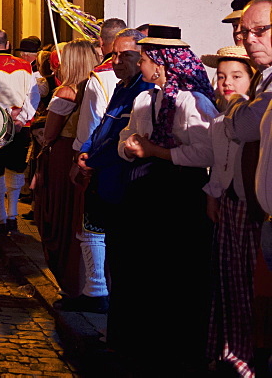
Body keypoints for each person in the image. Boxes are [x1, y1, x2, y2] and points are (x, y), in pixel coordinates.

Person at [115, 25, 218, 373]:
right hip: (144, 190)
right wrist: (129, 149)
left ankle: (175, 349)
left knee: (174, 271)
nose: (140, 66)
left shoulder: (193, 101)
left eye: (143, 59)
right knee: (141, 268)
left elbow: (205, 152)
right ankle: (139, 343)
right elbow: (126, 136)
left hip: (179, 196)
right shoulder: (145, 99)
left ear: (160, 64)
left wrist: (156, 151)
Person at [76, 29, 153, 317]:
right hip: (100, 171)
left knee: (117, 245)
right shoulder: (122, 86)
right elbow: (103, 125)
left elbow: (126, 137)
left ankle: (107, 301)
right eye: (115, 54)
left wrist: (94, 161)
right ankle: (94, 292)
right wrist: (85, 152)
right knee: (92, 231)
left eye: (126, 55)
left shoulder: (144, 91)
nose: (117, 61)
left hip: (119, 176)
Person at [199, 45, 261, 374]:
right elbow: (219, 165)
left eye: (236, 76)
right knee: (227, 280)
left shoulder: (256, 116)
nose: (227, 83)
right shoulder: (220, 119)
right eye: (222, 77)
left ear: (252, 79)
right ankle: (229, 350)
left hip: (252, 208)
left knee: (250, 284)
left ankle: (248, 354)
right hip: (228, 205)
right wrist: (213, 195)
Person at [32, 39, 100, 303]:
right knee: (80, 218)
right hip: (84, 157)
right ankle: (85, 281)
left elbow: (49, 133)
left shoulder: (65, 92)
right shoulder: (100, 88)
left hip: (61, 157)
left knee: (60, 218)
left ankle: (71, 281)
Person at [0, 29, 40, 234]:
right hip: (21, 126)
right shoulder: (25, 65)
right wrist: (22, 118)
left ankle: (0, 217)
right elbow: (34, 95)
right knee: (15, 168)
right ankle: (12, 214)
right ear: (8, 43)